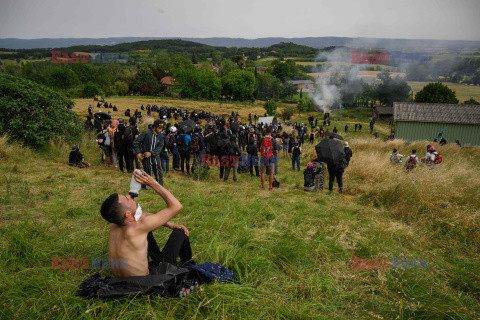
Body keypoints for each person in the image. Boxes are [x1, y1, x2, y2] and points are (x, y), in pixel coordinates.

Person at [100, 170, 193, 277]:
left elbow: (144, 216)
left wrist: (170, 224)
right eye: (127, 199)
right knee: (180, 232)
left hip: (122, 280)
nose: (129, 196)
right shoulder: (138, 228)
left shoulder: (115, 225)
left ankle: (158, 258)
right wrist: (153, 183)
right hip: (146, 282)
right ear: (128, 213)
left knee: (147, 232)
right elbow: (176, 206)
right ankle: (189, 266)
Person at [133, 120, 164, 186]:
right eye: (159, 128)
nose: (160, 130)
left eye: (161, 129)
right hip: (146, 157)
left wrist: (151, 153)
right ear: (154, 127)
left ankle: (160, 186)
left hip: (155, 157)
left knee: (158, 171)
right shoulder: (146, 133)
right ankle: (144, 186)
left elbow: (160, 147)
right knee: (147, 171)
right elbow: (136, 142)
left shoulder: (161, 136)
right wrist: (138, 152)